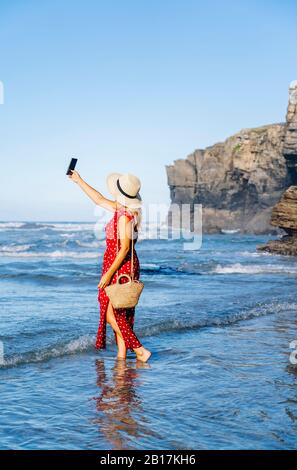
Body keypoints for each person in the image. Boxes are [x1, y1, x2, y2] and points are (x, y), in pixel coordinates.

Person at [69, 170, 151, 362]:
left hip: (119, 264)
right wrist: (79, 180)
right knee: (120, 311)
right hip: (120, 263)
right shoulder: (122, 210)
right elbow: (97, 199)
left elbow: (123, 249)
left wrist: (107, 275)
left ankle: (139, 349)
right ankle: (121, 355)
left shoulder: (123, 216)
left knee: (111, 314)